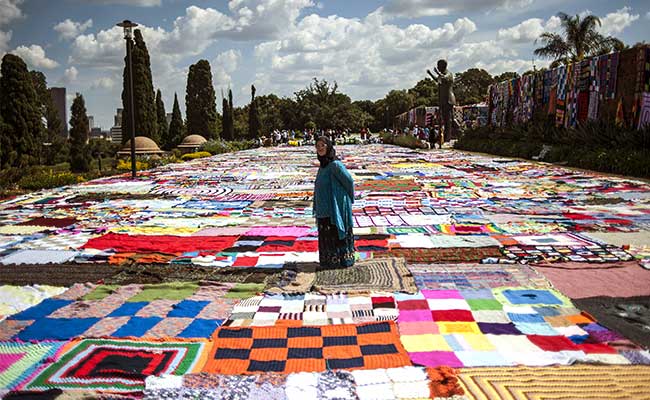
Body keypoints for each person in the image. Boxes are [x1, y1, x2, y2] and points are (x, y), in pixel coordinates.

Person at [313, 136, 355, 269]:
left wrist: (346, 200)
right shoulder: (323, 165)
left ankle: (342, 260)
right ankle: (329, 261)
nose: (320, 148)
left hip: (334, 206)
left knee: (336, 232)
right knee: (327, 233)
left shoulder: (335, 165)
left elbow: (349, 181)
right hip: (324, 208)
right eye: (317, 145)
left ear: (329, 147)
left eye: (322, 145)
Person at [427, 59, 456, 147]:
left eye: (439, 66)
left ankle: (449, 137)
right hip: (443, 100)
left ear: (443, 66)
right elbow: (438, 80)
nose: (438, 68)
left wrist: (437, 73)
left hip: (448, 99)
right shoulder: (442, 75)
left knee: (449, 120)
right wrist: (430, 74)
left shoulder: (448, 74)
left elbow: (444, 78)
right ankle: (445, 138)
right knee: (444, 119)